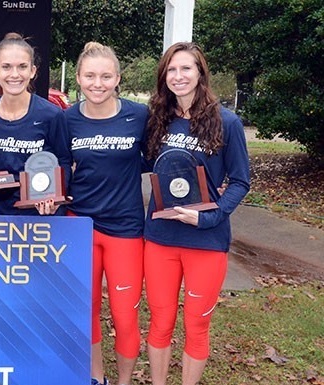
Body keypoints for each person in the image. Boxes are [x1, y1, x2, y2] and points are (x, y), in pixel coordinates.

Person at [143, 42, 250, 385]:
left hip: (206, 240)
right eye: (171, 70)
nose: (178, 76)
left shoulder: (227, 122)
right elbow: (138, 164)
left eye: (186, 68)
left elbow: (240, 181)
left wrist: (210, 216)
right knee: (160, 322)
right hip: (160, 238)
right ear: (164, 77)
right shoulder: (158, 120)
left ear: (201, 73)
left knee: (196, 324)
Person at [64, 42, 148, 385]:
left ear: (118, 79)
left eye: (105, 76)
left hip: (125, 229)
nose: (97, 83)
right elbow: (55, 167)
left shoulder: (139, 116)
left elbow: (164, 156)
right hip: (79, 225)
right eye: (89, 76)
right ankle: (96, 378)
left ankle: (124, 381)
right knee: (86, 313)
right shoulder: (66, 117)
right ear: (79, 79)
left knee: (125, 316)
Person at [0, 32, 71, 216]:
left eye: (22, 66)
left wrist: (57, 198)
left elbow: (64, 161)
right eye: (6, 67)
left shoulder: (51, 114)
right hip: (1, 214)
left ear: (33, 71)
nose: (14, 74)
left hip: (42, 214)